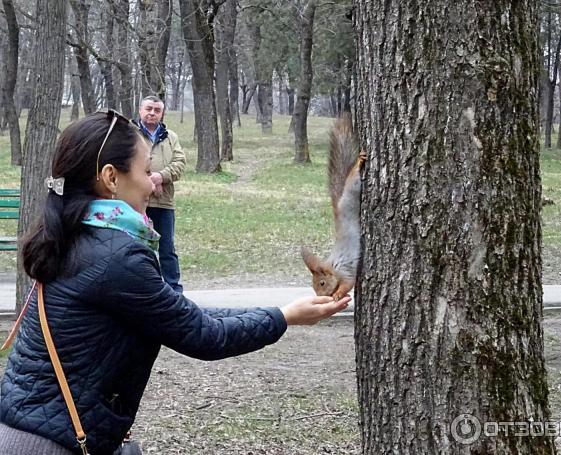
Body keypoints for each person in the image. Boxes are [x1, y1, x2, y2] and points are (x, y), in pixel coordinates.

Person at [0, 111, 350, 454]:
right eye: (146, 170)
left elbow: (183, 315)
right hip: (47, 443)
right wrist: (284, 317)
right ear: (111, 177)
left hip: (29, 428)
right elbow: (202, 335)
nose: (153, 181)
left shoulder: (77, 233)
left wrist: (281, 311)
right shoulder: (115, 256)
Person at [133, 96, 185, 293]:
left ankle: (173, 290)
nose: (152, 113)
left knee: (167, 248)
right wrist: (148, 180)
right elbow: (123, 163)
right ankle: (142, 288)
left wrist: (161, 177)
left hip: (164, 201)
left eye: (157, 110)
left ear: (162, 113)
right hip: (137, 201)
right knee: (137, 247)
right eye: (148, 108)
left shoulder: (171, 137)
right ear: (140, 110)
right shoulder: (130, 134)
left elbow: (180, 164)